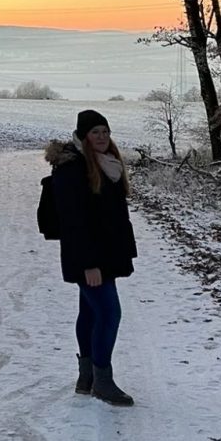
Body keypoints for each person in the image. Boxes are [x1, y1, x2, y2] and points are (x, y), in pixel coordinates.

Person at [45, 108, 137, 406]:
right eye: (95, 132)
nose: (101, 137)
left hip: (105, 254)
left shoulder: (105, 163)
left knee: (90, 313)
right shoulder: (73, 168)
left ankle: (87, 378)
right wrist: (89, 265)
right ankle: (102, 381)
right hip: (89, 258)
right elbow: (74, 222)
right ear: (83, 136)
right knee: (109, 314)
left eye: (105, 132)